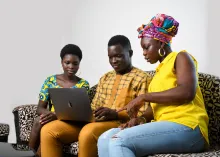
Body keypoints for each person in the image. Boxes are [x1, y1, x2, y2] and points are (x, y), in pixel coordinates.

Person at [98, 14, 209, 157]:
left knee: (119, 141)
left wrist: (144, 97)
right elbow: (156, 107)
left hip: (189, 126)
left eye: (146, 47)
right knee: (105, 138)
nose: (144, 53)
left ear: (161, 43)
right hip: (166, 126)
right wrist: (140, 119)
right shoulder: (157, 74)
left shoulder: (181, 57)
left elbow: (187, 92)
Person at [39, 35, 149, 157]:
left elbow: (143, 114)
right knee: (48, 131)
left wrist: (115, 113)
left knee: (88, 132)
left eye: (118, 56)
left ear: (130, 53)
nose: (114, 61)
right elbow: (94, 106)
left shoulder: (141, 78)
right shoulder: (105, 78)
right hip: (94, 121)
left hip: (119, 122)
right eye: (110, 57)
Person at [29, 44, 89, 157]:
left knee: (48, 129)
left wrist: (57, 115)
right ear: (62, 62)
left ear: (79, 64)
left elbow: (81, 113)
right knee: (38, 121)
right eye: (67, 63)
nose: (71, 66)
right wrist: (51, 115)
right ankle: (28, 153)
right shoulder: (50, 81)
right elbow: (40, 108)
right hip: (51, 118)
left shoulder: (83, 85)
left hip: (71, 122)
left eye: (75, 63)